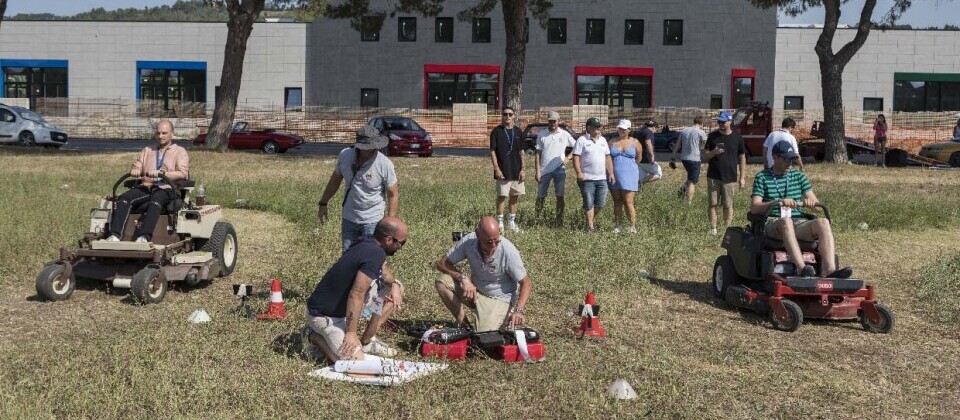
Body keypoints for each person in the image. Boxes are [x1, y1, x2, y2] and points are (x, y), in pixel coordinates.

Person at [303, 216, 409, 363]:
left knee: (393, 289)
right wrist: (351, 334)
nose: (401, 247)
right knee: (354, 362)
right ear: (389, 239)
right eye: (402, 243)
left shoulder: (369, 242)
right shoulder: (375, 253)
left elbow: (385, 273)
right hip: (325, 316)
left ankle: (367, 340)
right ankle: (314, 337)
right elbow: (356, 294)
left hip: (343, 309)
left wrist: (395, 284)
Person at [751, 141, 851, 279]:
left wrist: (811, 203)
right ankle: (803, 269)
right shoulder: (762, 177)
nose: (790, 163)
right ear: (775, 157)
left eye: (792, 159)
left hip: (797, 221)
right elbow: (755, 207)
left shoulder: (799, 176)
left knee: (823, 222)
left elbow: (816, 206)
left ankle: (831, 271)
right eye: (786, 159)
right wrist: (777, 202)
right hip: (773, 221)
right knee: (786, 221)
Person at [434, 216, 533, 332]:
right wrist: (462, 278)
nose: (493, 246)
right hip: (475, 292)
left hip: (499, 298)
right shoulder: (469, 241)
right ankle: (464, 326)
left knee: (484, 334)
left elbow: (526, 282)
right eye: (489, 242)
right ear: (477, 234)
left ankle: (502, 318)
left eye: (497, 240)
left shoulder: (508, 250)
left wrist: (519, 310)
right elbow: (442, 263)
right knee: (442, 282)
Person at [317, 125, 399, 251]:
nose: (373, 149)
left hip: (373, 221)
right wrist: (323, 202)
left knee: (369, 260)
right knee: (348, 259)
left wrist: (389, 223)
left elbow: (392, 194)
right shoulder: (345, 156)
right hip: (349, 218)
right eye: (369, 146)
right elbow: (335, 181)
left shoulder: (385, 164)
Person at [105, 119, 189, 243]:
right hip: (147, 186)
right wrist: (136, 169)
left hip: (167, 189)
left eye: (164, 133)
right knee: (124, 198)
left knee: (156, 200)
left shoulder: (180, 151)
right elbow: (138, 165)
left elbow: (183, 173)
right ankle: (115, 235)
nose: (161, 136)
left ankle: (144, 236)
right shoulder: (148, 150)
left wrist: (163, 174)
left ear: (172, 133)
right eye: (158, 133)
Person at [703, 111, 747, 236]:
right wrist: (714, 153)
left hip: (730, 177)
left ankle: (727, 229)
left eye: (723, 121)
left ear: (730, 121)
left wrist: (742, 177)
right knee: (713, 204)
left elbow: (742, 157)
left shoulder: (737, 138)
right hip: (713, 176)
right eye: (719, 121)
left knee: (728, 205)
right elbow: (705, 157)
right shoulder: (712, 136)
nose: (720, 124)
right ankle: (713, 229)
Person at [573, 117, 614, 232]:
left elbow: (607, 157)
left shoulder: (603, 141)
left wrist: (611, 173)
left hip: (602, 178)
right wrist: (579, 172)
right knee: (589, 202)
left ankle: (589, 219)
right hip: (587, 178)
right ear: (588, 127)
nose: (598, 129)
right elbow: (576, 158)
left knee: (600, 204)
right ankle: (590, 227)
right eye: (596, 126)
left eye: (599, 126)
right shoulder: (582, 140)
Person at [534, 110, 575, 225]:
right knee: (540, 196)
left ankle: (559, 220)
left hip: (559, 170)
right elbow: (537, 154)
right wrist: (537, 171)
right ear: (548, 121)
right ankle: (537, 220)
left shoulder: (565, 134)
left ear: (559, 121)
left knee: (560, 195)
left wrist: (568, 158)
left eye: (555, 121)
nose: (552, 123)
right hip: (544, 170)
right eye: (550, 121)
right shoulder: (542, 134)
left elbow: (577, 147)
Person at [490, 106, 525, 233]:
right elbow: (492, 151)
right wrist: (496, 169)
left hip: (516, 170)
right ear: (502, 116)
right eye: (505, 114)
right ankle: (500, 223)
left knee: (515, 196)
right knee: (502, 196)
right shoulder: (496, 131)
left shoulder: (518, 131)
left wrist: (523, 169)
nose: (508, 117)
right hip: (503, 170)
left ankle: (511, 222)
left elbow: (521, 151)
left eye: (510, 114)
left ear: (514, 116)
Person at [608, 119, 642, 233]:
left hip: (629, 175)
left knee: (629, 202)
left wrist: (631, 168)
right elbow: (607, 158)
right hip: (614, 175)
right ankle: (618, 225)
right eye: (619, 128)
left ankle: (632, 226)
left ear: (629, 129)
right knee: (617, 201)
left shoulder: (635, 142)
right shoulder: (612, 141)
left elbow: (639, 157)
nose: (621, 131)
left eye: (623, 129)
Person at [670, 116, 707, 205]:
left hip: (684, 159)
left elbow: (677, 145)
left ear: (694, 122)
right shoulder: (701, 132)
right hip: (695, 159)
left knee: (691, 178)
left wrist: (673, 158)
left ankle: (681, 190)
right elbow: (706, 145)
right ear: (701, 123)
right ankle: (688, 203)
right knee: (693, 181)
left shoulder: (684, 130)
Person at [633, 120, 661, 186]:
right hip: (646, 158)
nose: (655, 131)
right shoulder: (649, 132)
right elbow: (648, 142)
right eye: (656, 129)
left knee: (641, 176)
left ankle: (639, 186)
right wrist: (652, 155)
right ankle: (640, 182)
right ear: (654, 127)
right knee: (659, 173)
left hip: (638, 158)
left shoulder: (640, 132)